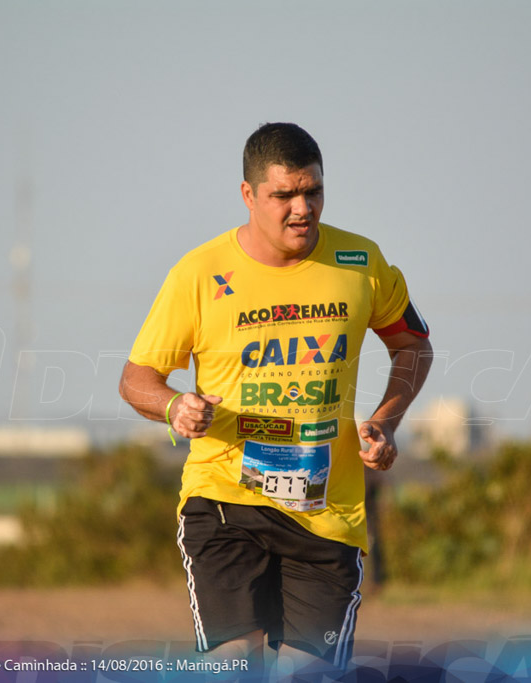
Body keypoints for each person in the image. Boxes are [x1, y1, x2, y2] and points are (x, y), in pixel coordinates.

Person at [119, 122, 432, 674]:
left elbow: (413, 347)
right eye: (283, 194)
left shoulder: (360, 263)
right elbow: (136, 378)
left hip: (326, 512)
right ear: (248, 195)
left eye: (312, 191)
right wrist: (173, 405)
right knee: (235, 665)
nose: (301, 208)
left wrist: (387, 421)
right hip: (225, 498)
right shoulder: (198, 273)